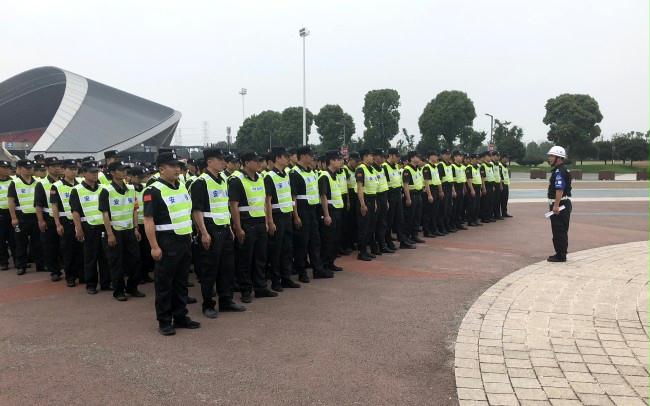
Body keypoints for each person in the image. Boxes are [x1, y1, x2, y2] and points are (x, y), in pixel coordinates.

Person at [143, 151, 201, 336]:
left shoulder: (181, 186)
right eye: (173, 166)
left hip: (184, 240)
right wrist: (154, 246)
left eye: (179, 166)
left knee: (181, 282)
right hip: (166, 241)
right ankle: (165, 321)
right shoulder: (153, 190)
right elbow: (148, 220)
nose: (177, 169)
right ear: (161, 169)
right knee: (165, 283)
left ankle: (181, 316)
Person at [190, 148, 246, 318]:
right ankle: (208, 304)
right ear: (209, 162)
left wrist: (229, 228)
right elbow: (197, 210)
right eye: (220, 160)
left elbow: (224, 206)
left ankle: (226, 300)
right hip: (210, 228)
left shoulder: (223, 180)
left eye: (224, 160)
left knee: (227, 267)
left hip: (224, 228)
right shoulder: (201, 182)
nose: (223, 162)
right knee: (210, 269)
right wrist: (203, 232)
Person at [229, 152, 278, 303]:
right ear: (246, 163)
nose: (259, 164)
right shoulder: (237, 180)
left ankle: (260, 287)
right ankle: (246, 290)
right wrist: (238, 228)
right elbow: (234, 206)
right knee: (245, 259)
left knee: (260, 257)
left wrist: (269, 221)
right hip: (246, 223)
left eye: (259, 161)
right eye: (256, 161)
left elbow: (266, 202)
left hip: (260, 222)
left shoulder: (261, 178)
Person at [99, 160, 144, 301]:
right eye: (121, 170)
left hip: (130, 230)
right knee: (116, 262)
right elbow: (105, 213)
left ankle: (132, 287)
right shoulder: (106, 190)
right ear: (112, 173)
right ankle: (119, 291)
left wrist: (136, 228)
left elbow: (135, 209)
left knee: (136, 260)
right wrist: (110, 234)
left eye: (125, 169)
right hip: (115, 230)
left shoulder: (131, 189)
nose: (125, 172)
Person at [290, 146, 331, 279]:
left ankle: (317, 269)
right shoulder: (294, 173)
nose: (312, 157)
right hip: (302, 211)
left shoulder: (313, 172)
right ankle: (301, 272)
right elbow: (293, 197)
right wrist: (296, 215)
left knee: (315, 241)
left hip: (313, 210)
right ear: (302, 156)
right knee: (302, 243)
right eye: (310, 155)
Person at [263, 147, 301, 291]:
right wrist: (270, 221)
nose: (288, 159)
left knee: (287, 249)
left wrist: (294, 215)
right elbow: (267, 201)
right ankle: (275, 280)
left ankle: (286, 278)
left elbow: (291, 197)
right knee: (276, 250)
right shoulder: (269, 177)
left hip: (287, 215)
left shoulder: (286, 175)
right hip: (276, 216)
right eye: (285, 156)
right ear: (278, 158)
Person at [70, 161, 109, 294]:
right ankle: (91, 284)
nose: (95, 174)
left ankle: (106, 282)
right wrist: (78, 229)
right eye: (92, 172)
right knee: (90, 256)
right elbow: (75, 211)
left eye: (96, 172)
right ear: (84, 173)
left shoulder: (103, 188)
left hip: (103, 226)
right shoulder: (76, 190)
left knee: (105, 256)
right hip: (88, 227)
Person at [50, 159, 84, 287]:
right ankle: (70, 276)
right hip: (66, 221)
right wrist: (58, 224)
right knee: (68, 250)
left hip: (81, 221)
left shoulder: (81, 183)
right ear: (64, 170)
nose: (74, 171)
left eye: (75, 169)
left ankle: (82, 275)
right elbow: (54, 206)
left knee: (82, 250)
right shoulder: (56, 186)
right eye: (71, 169)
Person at [8, 159, 44, 275]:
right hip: (21, 216)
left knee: (37, 242)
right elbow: (11, 201)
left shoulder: (38, 182)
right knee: (21, 242)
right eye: (26, 168)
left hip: (35, 216)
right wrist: (13, 218)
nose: (29, 170)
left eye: (31, 168)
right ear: (20, 169)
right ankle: (21, 265)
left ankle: (40, 264)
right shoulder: (15, 183)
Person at [35, 157, 63, 281]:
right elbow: (38, 204)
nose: (57, 168)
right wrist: (41, 221)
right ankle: (55, 271)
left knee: (65, 246)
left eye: (58, 165)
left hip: (64, 217)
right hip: (49, 217)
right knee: (51, 245)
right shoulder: (41, 184)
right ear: (47, 168)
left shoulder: (64, 181)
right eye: (53, 166)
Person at [318, 150, 344, 272]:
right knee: (327, 239)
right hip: (330, 212)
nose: (340, 162)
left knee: (335, 239)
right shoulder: (324, 176)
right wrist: (326, 215)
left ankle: (331, 262)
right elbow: (323, 196)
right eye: (338, 160)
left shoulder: (335, 175)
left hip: (337, 211)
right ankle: (324, 264)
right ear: (332, 161)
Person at [383, 148, 414, 249]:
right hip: (390, 194)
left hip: (397, 194)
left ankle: (402, 240)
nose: (398, 158)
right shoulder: (384, 167)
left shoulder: (396, 166)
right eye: (396, 156)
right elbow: (384, 184)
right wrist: (386, 199)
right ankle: (387, 241)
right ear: (391, 155)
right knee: (389, 220)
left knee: (400, 219)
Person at [546, 146, 572, 263]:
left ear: (559, 158)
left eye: (551, 156)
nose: (549, 158)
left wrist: (556, 206)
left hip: (560, 204)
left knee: (559, 230)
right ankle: (561, 252)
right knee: (561, 230)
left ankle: (560, 255)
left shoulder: (559, 171)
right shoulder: (562, 169)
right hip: (563, 203)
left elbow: (559, 189)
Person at [129, 166, 155, 283]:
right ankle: (137, 275)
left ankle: (145, 273)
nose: (142, 179)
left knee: (146, 251)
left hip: (146, 223)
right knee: (136, 253)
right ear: (132, 177)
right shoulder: (129, 189)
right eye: (139, 177)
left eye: (143, 177)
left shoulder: (146, 188)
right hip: (135, 224)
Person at [355, 149, 378, 261]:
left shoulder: (372, 169)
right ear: (364, 156)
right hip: (365, 200)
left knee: (370, 227)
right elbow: (360, 188)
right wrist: (362, 204)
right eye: (370, 155)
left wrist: (375, 203)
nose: (372, 157)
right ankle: (361, 252)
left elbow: (374, 188)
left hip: (372, 199)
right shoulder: (361, 169)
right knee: (363, 228)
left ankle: (366, 250)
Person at [372, 149, 394, 254]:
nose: (383, 158)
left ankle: (382, 245)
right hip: (376, 197)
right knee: (375, 223)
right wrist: (375, 201)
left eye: (383, 156)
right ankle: (376, 246)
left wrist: (387, 200)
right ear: (375, 157)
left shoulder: (382, 168)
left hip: (384, 197)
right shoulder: (372, 169)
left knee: (383, 223)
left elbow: (384, 185)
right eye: (381, 156)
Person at [402, 151, 424, 244]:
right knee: (409, 217)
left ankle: (414, 235)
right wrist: (408, 198)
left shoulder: (418, 169)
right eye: (416, 157)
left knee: (417, 216)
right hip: (411, 195)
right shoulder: (407, 170)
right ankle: (406, 237)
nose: (418, 158)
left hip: (418, 195)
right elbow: (405, 185)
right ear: (411, 158)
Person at [422, 151, 444, 238]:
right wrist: (429, 195)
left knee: (435, 211)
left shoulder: (435, 167)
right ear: (430, 157)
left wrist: (441, 191)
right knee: (428, 212)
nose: (437, 157)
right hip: (430, 190)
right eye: (435, 156)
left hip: (436, 190)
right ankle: (427, 231)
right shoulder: (426, 167)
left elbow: (438, 181)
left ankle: (434, 229)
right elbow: (426, 182)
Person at [0, 160, 16, 270]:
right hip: (1, 213)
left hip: (12, 213)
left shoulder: (13, 181)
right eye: (4, 168)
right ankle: (3, 261)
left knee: (14, 238)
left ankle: (17, 261)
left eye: (8, 168)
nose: (7, 170)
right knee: (1, 239)